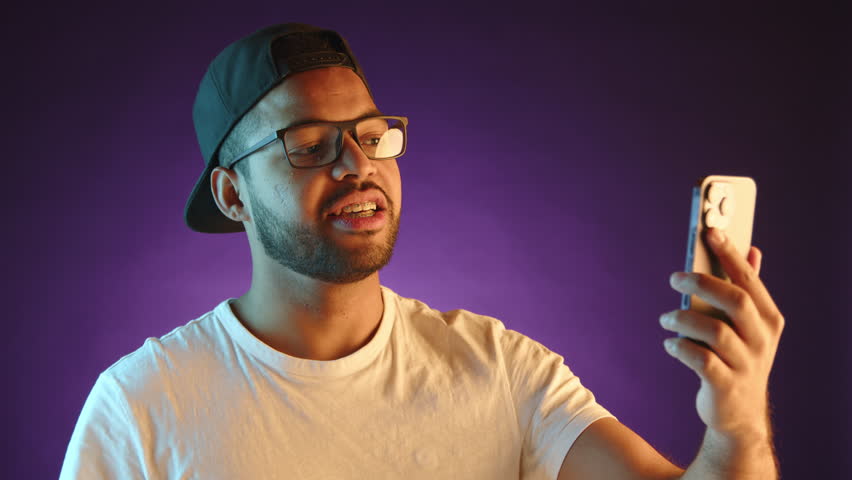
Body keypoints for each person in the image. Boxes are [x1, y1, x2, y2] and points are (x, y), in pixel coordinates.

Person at [60, 23, 785, 479]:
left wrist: (739, 422)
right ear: (233, 195)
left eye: (372, 136)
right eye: (309, 145)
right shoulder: (139, 409)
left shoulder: (502, 373)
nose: (358, 165)